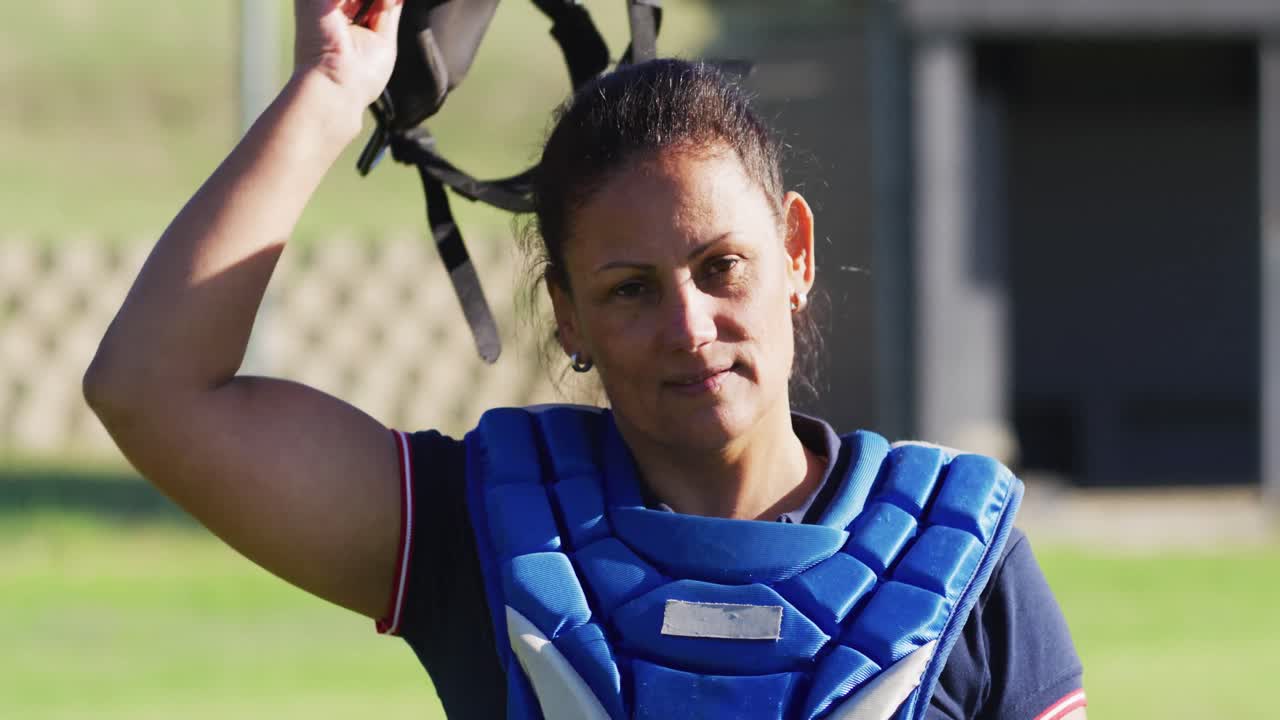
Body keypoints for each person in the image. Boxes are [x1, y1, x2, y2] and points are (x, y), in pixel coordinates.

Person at [83, 1, 1086, 718]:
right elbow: (151, 392)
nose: (688, 327)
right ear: (566, 316)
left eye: (719, 266)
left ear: (795, 254)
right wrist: (332, 89)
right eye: (628, 289)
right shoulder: (476, 531)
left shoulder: (961, 557)